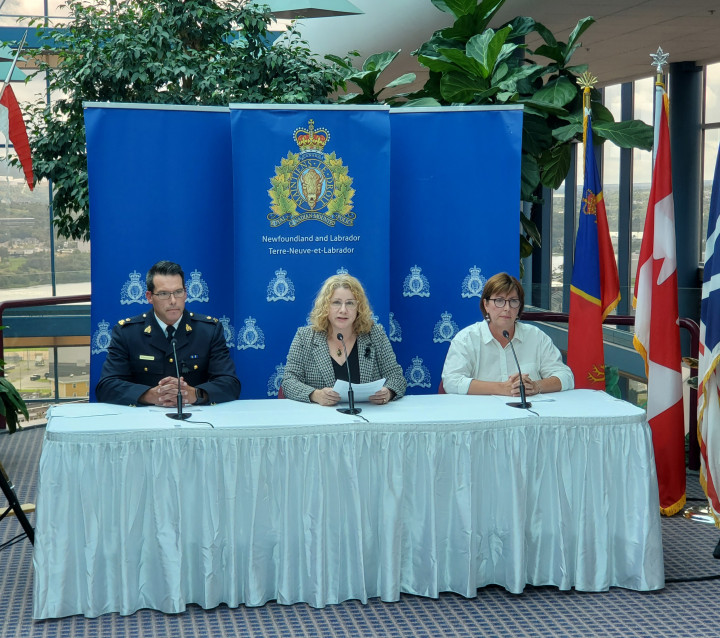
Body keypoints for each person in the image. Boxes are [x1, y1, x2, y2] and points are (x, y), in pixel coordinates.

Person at [96, 260, 241, 406]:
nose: (173, 301)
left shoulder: (209, 330)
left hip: (198, 420)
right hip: (144, 421)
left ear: (186, 293)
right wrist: (150, 395)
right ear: (149, 297)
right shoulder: (127, 333)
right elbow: (106, 386)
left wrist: (195, 394)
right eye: (164, 294)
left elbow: (230, 384)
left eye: (178, 292)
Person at [282, 273, 406, 405]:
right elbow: (289, 381)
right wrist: (315, 395)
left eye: (350, 303)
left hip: (367, 418)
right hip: (321, 419)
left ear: (359, 308)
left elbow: (396, 377)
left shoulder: (374, 334)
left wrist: (388, 392)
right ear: (325, 306)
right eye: (336, 303)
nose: (343, 310)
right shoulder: (305, 337)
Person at [441, 272, 573, 396]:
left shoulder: (536, 336)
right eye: (499, 300)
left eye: (513, 301)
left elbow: (566, 377)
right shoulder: (466, 339)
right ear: (486, 304)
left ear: (519, 307)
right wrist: (501, 388)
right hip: (482, 414)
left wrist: (535, 386)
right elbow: (451, 381)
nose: (507, 308)